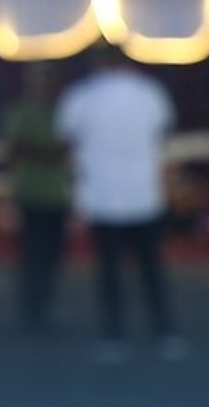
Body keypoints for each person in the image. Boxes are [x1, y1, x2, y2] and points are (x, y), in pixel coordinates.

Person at [56, 44, 184, 361]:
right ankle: (164, 332)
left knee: (109, 271)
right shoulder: (150, 94)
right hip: (144, 194)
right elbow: (163, 137)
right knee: (151, 270)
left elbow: (65, 141)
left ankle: (113, 335)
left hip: (101, 196)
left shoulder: (82, 96)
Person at [0, 62, 70, 332]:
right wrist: (50, 153)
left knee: (52, 255)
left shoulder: (66, 111)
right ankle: (31, 304)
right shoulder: (22, 112)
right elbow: (14, 149)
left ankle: (44, 302)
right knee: (33, 253)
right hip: (31, 193)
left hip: (58, 194)